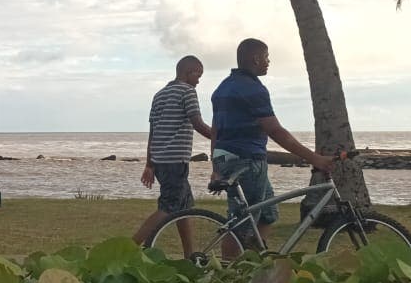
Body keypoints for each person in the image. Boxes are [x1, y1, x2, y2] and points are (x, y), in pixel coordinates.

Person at [211, 38, 333, 258]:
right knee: (241, 224)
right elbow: (275, 130)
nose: (269, 61)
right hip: (246, 160)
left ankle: (255, 261)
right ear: (256, 58)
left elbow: (216, 130)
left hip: (227, 156)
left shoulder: (224, 86)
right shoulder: (253, 89)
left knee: (268, 214)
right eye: (266, 57)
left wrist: (216, 164)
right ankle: (228, 275)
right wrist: (314, 158)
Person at [132, 56, 213, 252]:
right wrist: (223, 138)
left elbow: (153, 132)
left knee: (183, 209)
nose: (199, 81)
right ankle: (127, 249)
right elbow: (198, 124)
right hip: (175, 161)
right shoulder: (188, 92)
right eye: (198, 75)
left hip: (161, 161)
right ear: (188, 71)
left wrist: (149, 164)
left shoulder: (159, 95)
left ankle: (190, 256)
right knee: (168, 208)